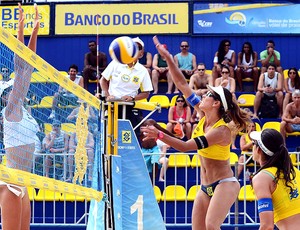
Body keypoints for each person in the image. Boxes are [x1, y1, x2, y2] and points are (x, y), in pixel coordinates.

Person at [141, 36, 249, 229]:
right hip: (206, 186)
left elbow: (184, 147)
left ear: (216, 103)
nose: (203, 94)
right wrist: (169, 58)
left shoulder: (221, 131)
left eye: (208, 94)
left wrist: (158, 134)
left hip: (225, 183)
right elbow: (182, 84)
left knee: (211, 225)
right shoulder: (201, 113)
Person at [0, 3, 39, 229]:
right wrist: (22, 29)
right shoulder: (10, 111)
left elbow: (29, 65)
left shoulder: (21, 110)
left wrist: (32, 30)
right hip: (12, 182)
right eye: (10, 90)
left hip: (22, 182)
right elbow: (21, 67)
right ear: (6, 97)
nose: (15, 90)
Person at [250, 128, 300, 230]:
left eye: (253, 144)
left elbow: (267, 226)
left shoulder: (262, 178)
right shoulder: (294, 171)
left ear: (259, 150)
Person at [100, 37, 153, 130]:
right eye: (133, 47)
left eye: (138, 48)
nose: (135, 50)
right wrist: (108, 96)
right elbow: (103, 80)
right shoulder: (115, 63)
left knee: (128, 136)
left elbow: (146, 93)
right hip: (113, 105)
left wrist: (132, 98)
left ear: (141, 53)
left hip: (129, 107)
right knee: (109, 134)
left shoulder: (143, 70)